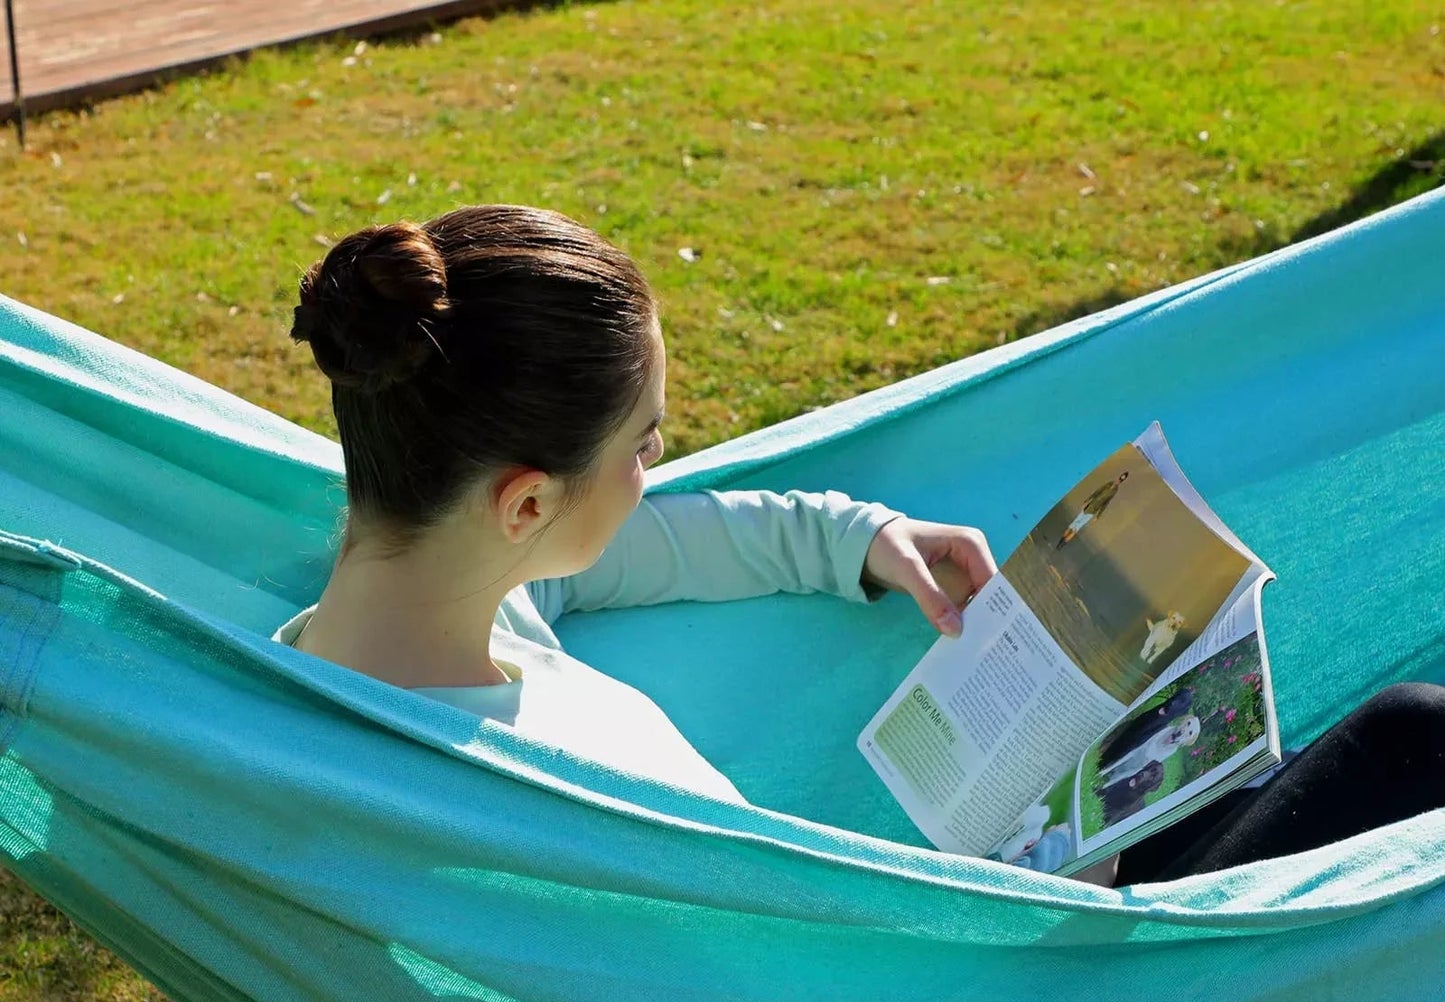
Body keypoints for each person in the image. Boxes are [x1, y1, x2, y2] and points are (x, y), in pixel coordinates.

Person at [277, 205, 1445, 888]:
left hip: (984, 911)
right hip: (1014, 995)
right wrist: (1054, 891)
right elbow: (799, 986)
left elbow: (687, 538)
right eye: (645, 445)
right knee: (1411, 733)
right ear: (527, 504)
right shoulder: (525, 786)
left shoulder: (461, 597)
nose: (654, 473)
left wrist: (864, 537)